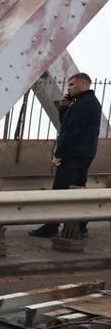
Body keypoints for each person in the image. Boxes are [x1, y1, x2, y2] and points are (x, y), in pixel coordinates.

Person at [30, 72, 102, 238]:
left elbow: (69, 132)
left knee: (59, 190)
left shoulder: (81, 104)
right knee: (78, 189)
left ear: (83, 84)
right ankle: (81, 226)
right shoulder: (89, 103)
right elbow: (68, 124)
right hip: (84, 154)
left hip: (72, 155)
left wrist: (59, 154)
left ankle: (51, 226)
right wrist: (64, 107)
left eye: (71, 85)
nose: (68, 88)